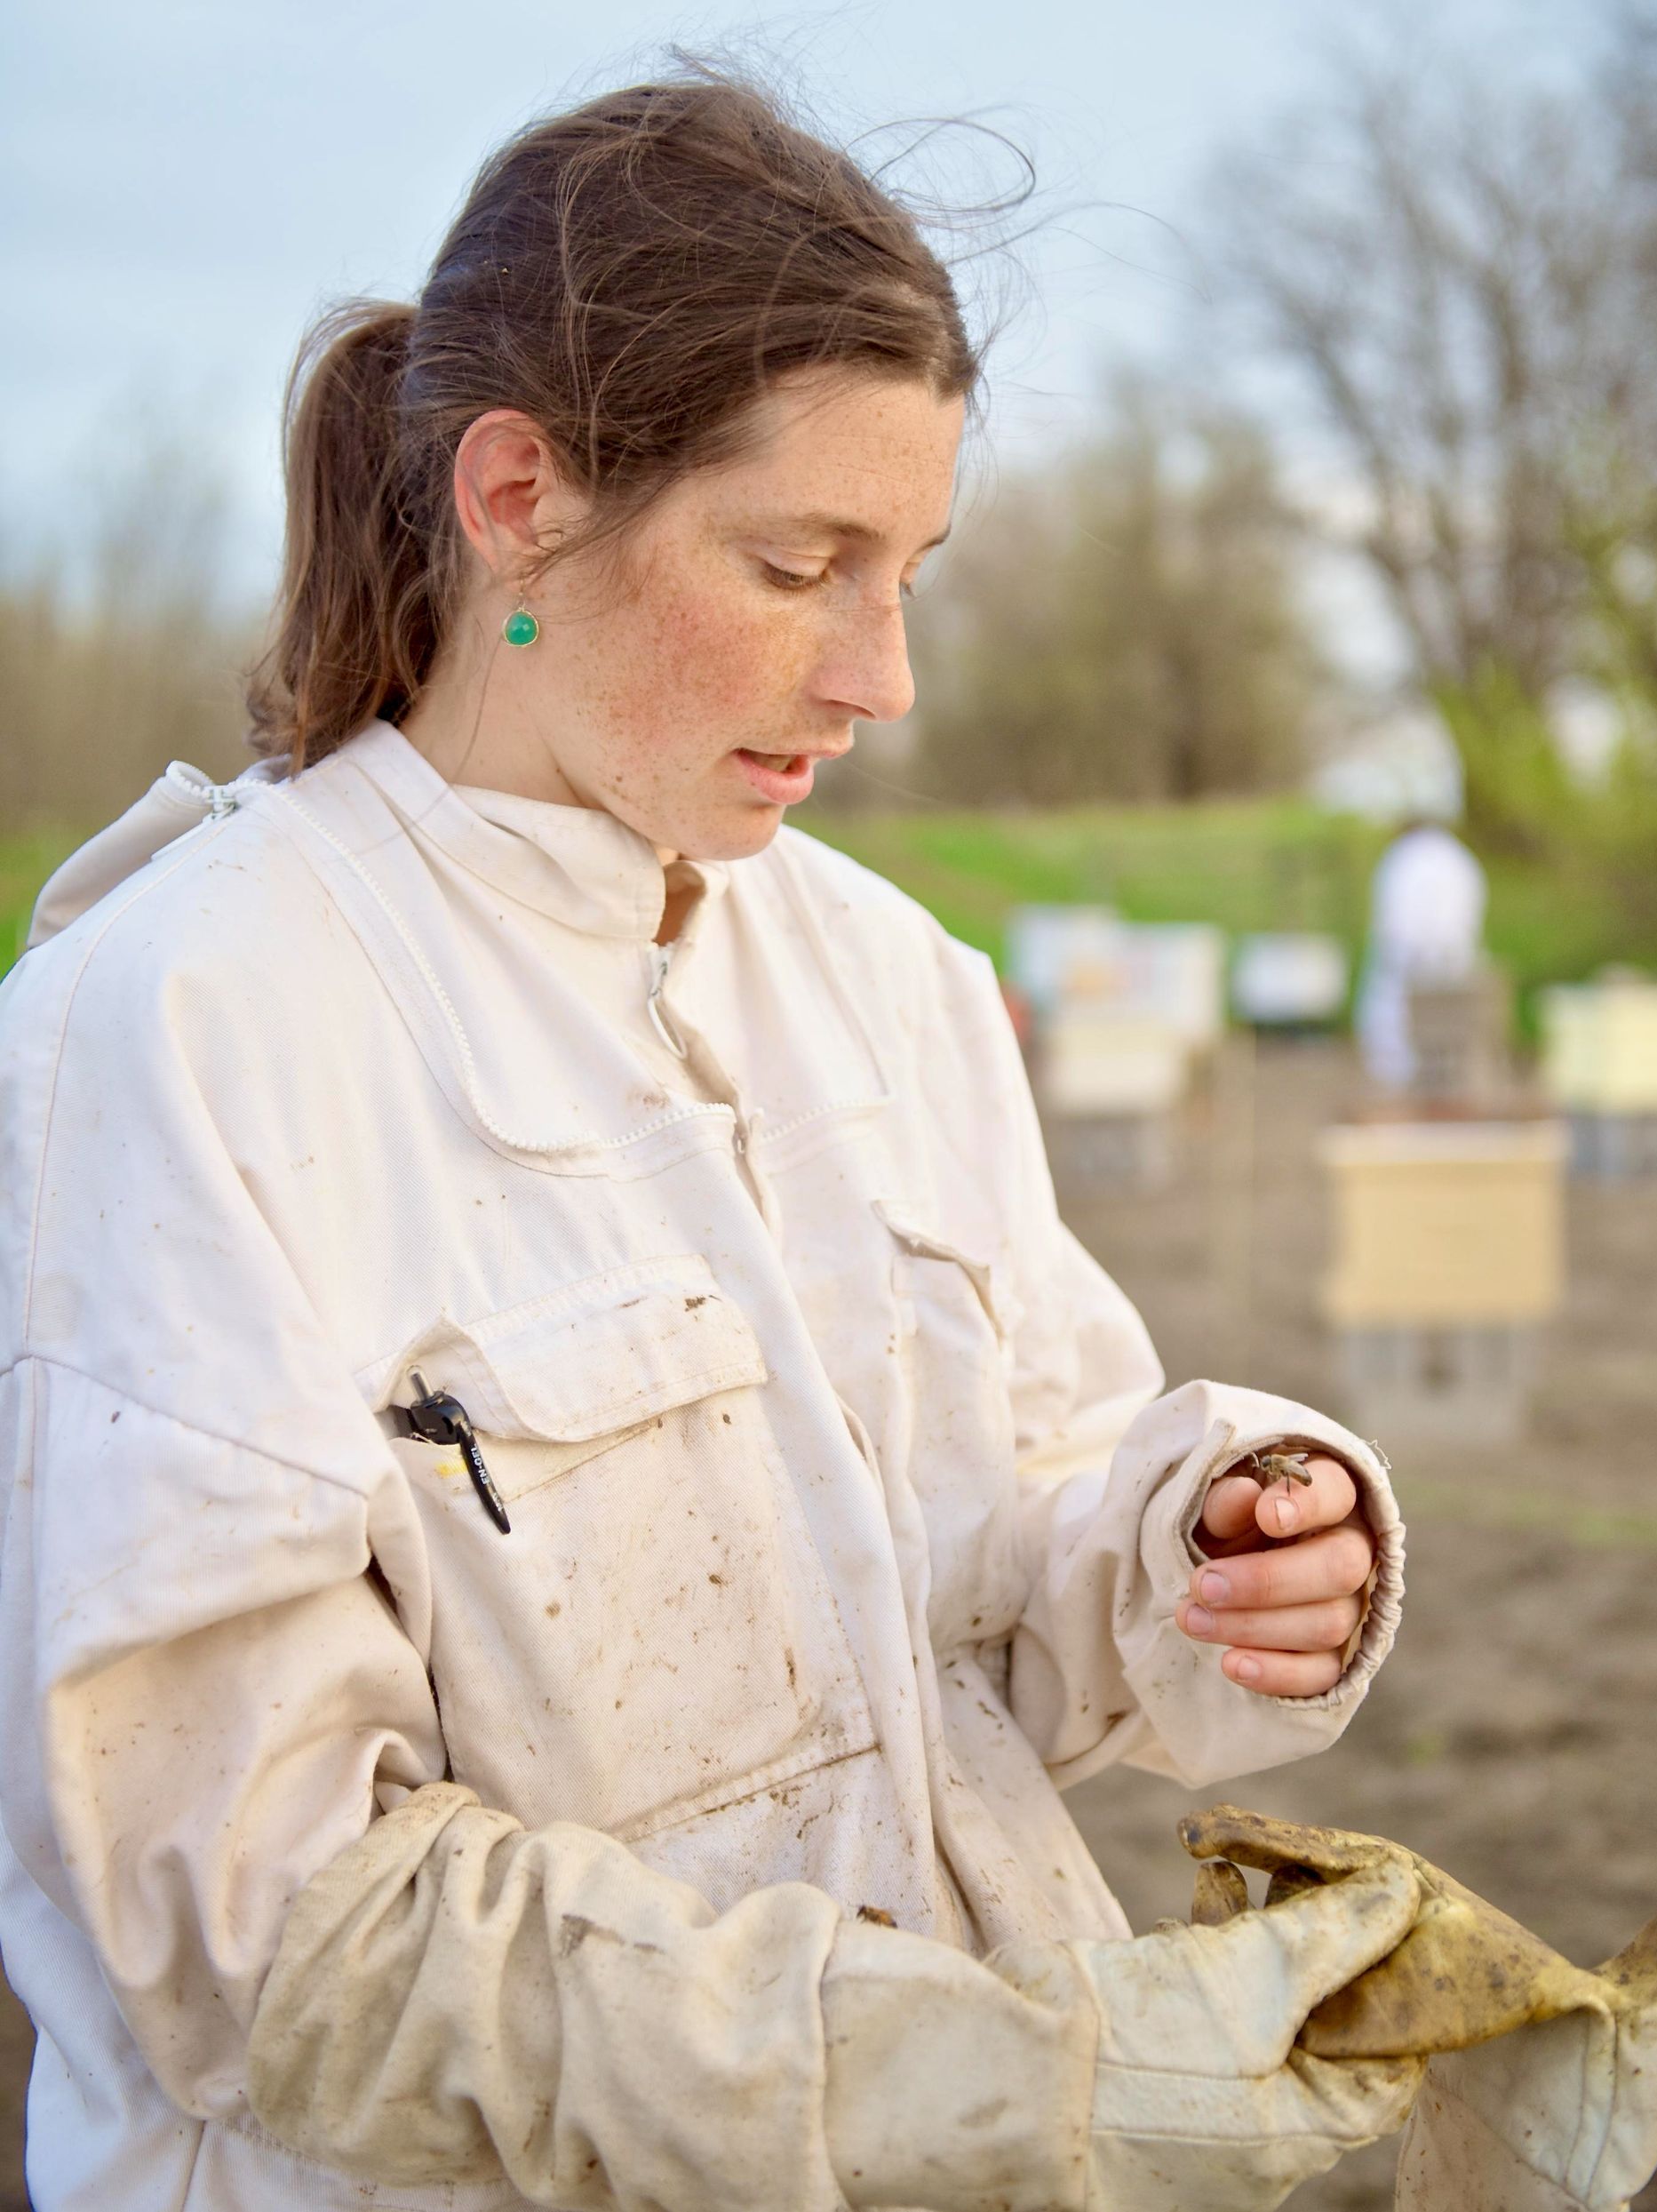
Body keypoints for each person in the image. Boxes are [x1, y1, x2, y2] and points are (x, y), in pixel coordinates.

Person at [0, 73, 1415, 2212]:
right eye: (799, 564)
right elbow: (258, 1917)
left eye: (910, 568)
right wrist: (913, 2073)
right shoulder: (181, 1022)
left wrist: (1201, 1549)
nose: (886, 675)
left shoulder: (892, 983)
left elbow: (994, 1593)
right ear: (515, 500)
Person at [1356, 815, 1488, 1090]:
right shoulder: (1456, 858)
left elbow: (1394, 923)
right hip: (1448, 963)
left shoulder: (1405, 859)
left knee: (1403, 1032)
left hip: (1412, 964)